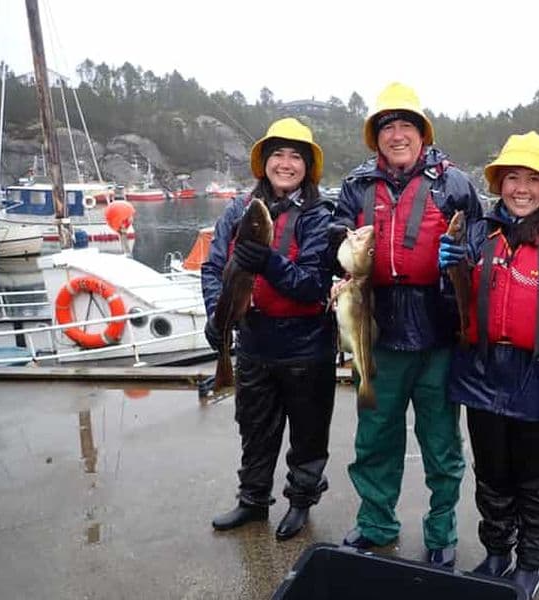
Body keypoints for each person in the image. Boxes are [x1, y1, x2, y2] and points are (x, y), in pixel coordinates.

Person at [439, 131, 539, 598]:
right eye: (513, 178)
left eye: (533, 179)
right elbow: (454, 305)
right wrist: (447, 272)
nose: (522, 188)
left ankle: (531, 563)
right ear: (499, 183)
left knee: (534, 481)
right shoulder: (476, 232)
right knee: (491, 476)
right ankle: (496, 552)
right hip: (481, 376)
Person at [330, 82, 483, 568]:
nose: (397, 135)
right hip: (377, 327)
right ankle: (377, 523)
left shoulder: (454, 183)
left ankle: (441, 531)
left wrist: (466, 255)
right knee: (375, 436)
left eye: (406, 126)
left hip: (439, 329)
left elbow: (481, 249)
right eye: (387, 127)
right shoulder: (355, 186)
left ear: (422, 133)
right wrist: (336, 278)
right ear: (376, 137)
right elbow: (334, 242)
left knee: (441, 441)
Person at [202, 117, 336, 540]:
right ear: (264, 161)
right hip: (254, 343)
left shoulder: (319, 216)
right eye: (278, 154)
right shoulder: (237, 210)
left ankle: (300, 501)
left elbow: (314, 285)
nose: (286, 163)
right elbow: (212, 267)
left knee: (308, 433)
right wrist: (215, 313)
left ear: (308, 166)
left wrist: (266, 261)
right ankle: (253, 501)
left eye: (296, 156)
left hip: (306, 347)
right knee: (255, 429)